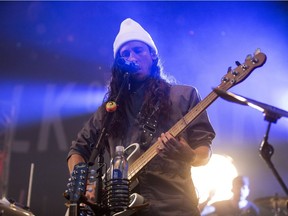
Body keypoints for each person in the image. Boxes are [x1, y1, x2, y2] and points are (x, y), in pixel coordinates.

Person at [67, 18, 215, 216]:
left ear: (152, 55)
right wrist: (85, 186)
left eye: (138, 50)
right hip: (122, 210)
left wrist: (189, 156)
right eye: (125, 54)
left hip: (174, 207)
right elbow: (78, 149)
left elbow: (203, 152)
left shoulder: (184, 96)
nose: (132, 57)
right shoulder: (110, 110)